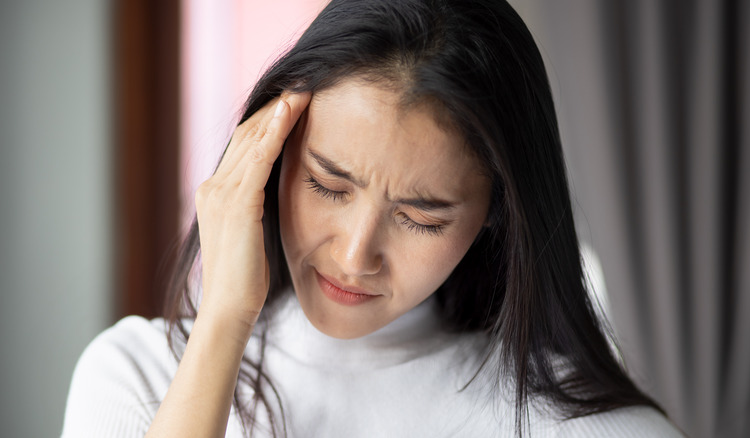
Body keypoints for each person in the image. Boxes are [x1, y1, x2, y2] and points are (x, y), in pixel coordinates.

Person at [62, 0, 685, 436]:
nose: (355, 255)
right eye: (327, 184)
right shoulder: (137, 376)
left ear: (497, 213)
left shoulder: (586, 429)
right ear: (270, 155)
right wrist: (224, 317)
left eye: (420, 218)